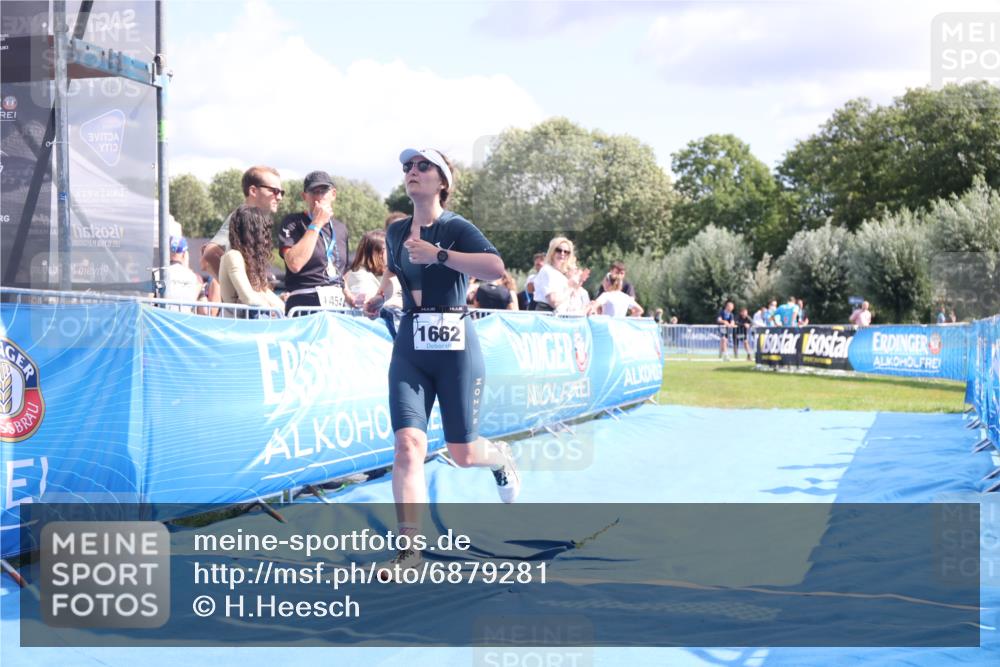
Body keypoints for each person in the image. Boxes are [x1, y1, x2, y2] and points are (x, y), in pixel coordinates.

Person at [363, 148, 520, 575]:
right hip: (411, 347)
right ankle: (409, 551)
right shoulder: (395, 232)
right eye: (408, 167)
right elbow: (394, 274)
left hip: (455, 348)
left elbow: (494, 268)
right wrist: (380, 297)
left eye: (423, 166)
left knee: (463, 453)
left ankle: (499, 457)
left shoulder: (456, 227)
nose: (412, 172)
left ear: (442, 181)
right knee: (408, 446)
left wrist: (440, 256)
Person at [278, 171, 351, 316]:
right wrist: (316, 223)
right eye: (313, 192)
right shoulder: (293, 222)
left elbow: (342, 270)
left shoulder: (340, 228)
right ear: (304, 196)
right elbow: (294, 264)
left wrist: (349, 294)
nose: (318, 197)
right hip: (305, 305)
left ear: (333, 194)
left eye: (323, 191)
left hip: (337, 308)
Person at [202, 166, 284, 278]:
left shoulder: (256, 220)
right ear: (253, 191)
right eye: (274, 191)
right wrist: (235, 288)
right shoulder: (240, 218)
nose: (279, 197)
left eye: (281, 192)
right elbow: (210, 253)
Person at [218, 204, 285, 314]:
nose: (267, 239)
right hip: (237, 328)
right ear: (254, 233)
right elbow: (249, 299)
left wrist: (280, 306)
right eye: (263, 232)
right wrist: (275, 310)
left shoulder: (248, 261)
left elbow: (262, 293)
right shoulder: (233, 256)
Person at [344, 230, 403, 310]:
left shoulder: (385, 274)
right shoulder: (360, 276)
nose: (392, 253)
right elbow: (370, 306)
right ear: (378, 253)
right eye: (389, 249)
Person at [532, 237, 579, 312]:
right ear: (552, 252)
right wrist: (570, 287)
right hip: (547, 315)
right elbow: (554, 301)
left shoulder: (559, 274)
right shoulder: (547, 270)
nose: (562, 254)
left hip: (557, 316)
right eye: (558, 250)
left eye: (566, 252)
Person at [161, 236, 204, 311]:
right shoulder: (194, 278)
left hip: (161, 320)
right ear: (184, 254)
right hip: (184, 320)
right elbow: (202, 309)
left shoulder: (158, 274)